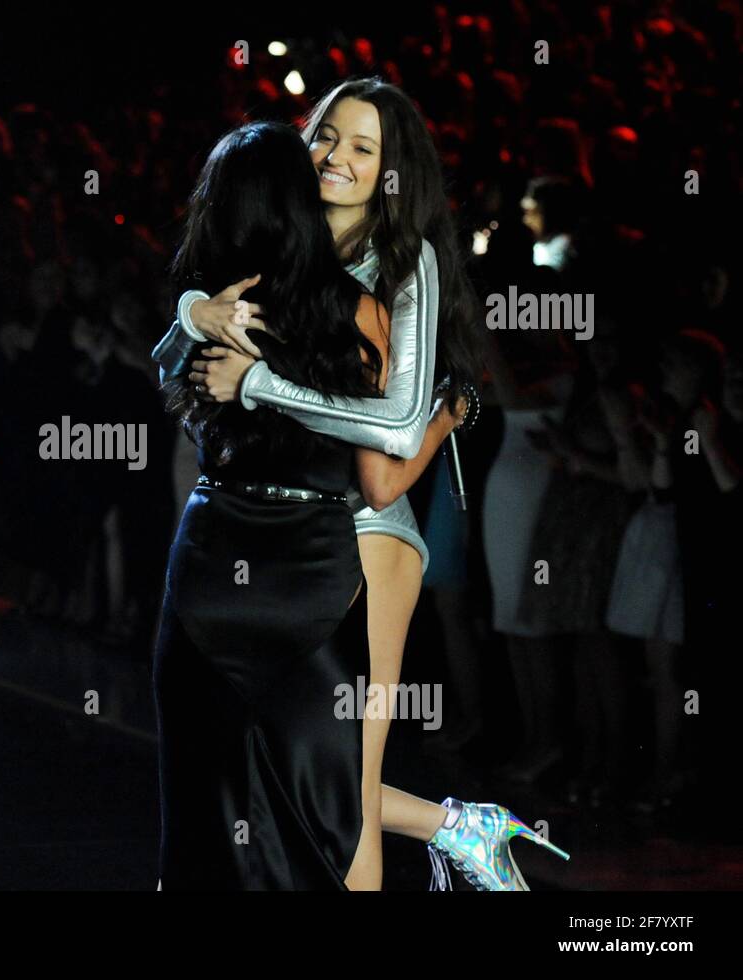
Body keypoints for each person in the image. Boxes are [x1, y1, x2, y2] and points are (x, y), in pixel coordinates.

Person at [156, 78, 567, 890]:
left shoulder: (404, 267)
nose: (336, 157)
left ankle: (460, 828)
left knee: (340, 780)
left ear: (391, 173)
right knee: (293, 774)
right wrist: (192, 310)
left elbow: (388, 447)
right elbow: (180, 367)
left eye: (363, 148)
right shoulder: (281, 247)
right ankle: (461, 826)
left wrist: (258, 385)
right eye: (326, 137)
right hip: (282, 537)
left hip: (368, 532)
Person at [153, 119, 391, 889]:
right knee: (322, 803)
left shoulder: (212, 302)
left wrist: (200, 325)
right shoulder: (356, 310)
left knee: (204, 802)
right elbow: (383, 445)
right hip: (310, 569)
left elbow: (171, 391)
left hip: (214, 556)